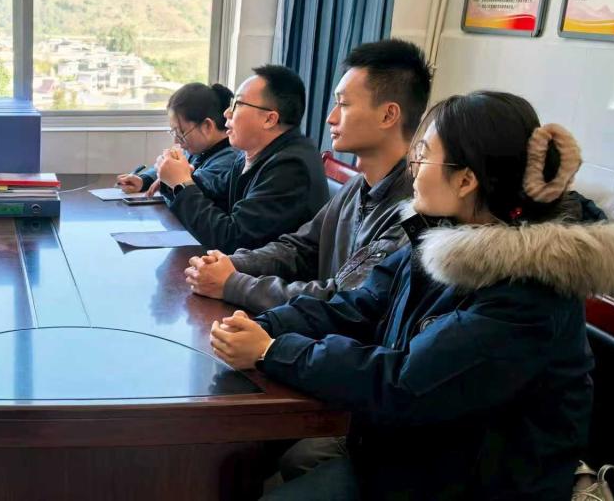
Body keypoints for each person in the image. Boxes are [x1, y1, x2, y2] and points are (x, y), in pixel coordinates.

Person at [209, 91, 614, 500]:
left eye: (422, 155)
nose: (412, 166)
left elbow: (405, 383)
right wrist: (267, 325)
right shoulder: (441, 234)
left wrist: (274, 351)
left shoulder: (528, 293)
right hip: (410, 456)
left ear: (466, 180)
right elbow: (360, 305)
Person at [185, 39, 432, 312]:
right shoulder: (357, 186)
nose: (331, 118)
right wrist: (233, 263)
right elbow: (300, 247)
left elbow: (344, 299)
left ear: (388, 115)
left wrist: (233, 284)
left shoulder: (414, 211)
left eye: (344, 104)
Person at [155, 65, 327, 253]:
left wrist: (181, 185)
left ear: (269, 119)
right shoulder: (251, 155)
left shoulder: (291, 169)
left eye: (237, 104)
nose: (226, 113)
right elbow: (212, 193)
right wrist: (176, 179)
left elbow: (232, 239)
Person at [116, 82, 239, 197]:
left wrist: (170, 180)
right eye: (174, 132)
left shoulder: (228, 160)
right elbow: (169, 170)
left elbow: (191, 190)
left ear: (207, 126)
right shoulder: (196, 151)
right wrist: (144, 180)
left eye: (181, 132)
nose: (176, 141)